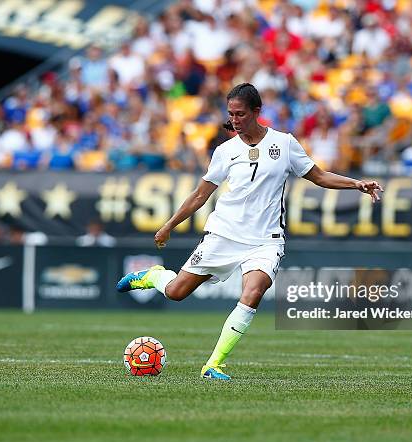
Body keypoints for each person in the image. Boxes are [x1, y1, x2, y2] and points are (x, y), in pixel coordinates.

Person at [116, 83, 383, 380]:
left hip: (265, 240)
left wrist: (356, 183)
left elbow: (318, 176)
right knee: (176, 292)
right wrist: (168, 226)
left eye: (240, 114)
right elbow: (199, 195)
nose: (234, 120)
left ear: (257, 112)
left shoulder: (284, 144)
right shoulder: (225, 151)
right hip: (225, 233)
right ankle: (153, 275)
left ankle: (213, 365)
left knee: (253, 292)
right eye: (231, 114)